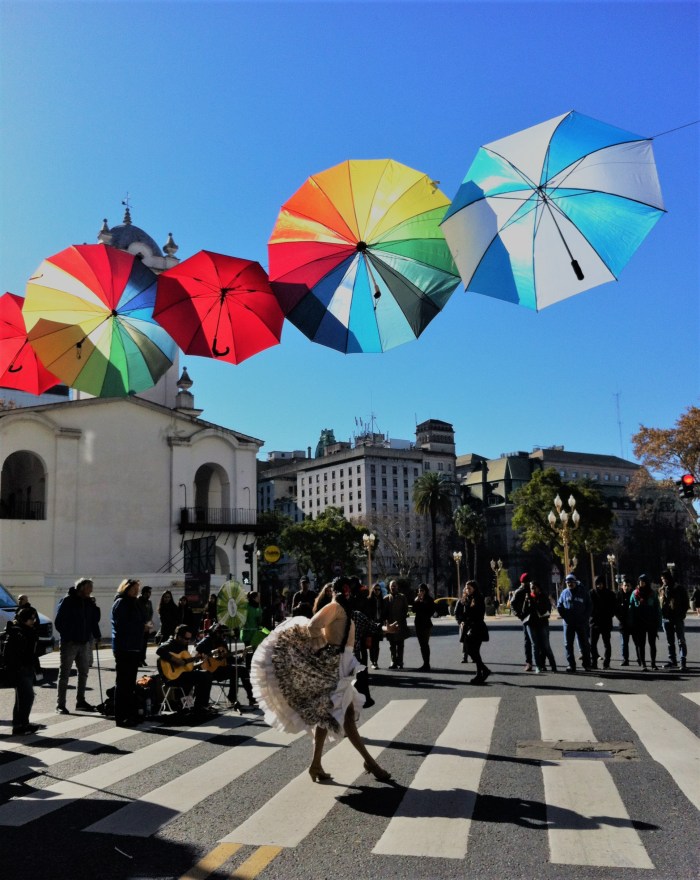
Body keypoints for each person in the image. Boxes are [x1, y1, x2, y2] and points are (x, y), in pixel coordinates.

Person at [251, 576, 394, 783]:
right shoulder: (335, 607)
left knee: (328, 714)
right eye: (350, 590)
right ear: (341, 591)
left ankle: (317, 765)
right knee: (342, 716)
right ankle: (369, 763)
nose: (352, 593)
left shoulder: (347, 610)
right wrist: (322, 651)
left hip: (344, 663)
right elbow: (313, 626)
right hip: (336, 663)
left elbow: (361, 627)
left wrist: (384, 629)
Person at [54, 577, 102, 714]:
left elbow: (94, 620)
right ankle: (60, 704)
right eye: (89, 587)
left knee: (84, 673)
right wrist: (68, 636)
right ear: (81, 588)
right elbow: (59, 622)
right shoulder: (68, 601)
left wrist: (97, 635)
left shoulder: (88, 602)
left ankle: (80, 701)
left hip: (84, 642)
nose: (91, 590)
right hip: (70, 642)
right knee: (65, 674)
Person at [111, 577, 149, 727]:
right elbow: (123, 625)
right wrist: (142, 627)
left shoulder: (135, 602)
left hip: (134, 646)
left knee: (129, 684)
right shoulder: (121, 602)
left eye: (137, 589)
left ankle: (129, 713)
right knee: (123, 683)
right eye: (134, 589)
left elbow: (140, 619)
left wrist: (144, 626)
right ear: (126, 588)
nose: (137, 591)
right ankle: (121, 717)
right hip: (124, 647)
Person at [4, 606, 46, 735]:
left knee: (24, 698)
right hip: (20, 669)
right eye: (32, 618)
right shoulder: (17, 633)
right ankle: (20, 725)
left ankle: (22, 724)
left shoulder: (28, 631)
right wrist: (19, 667)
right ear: (24, 619)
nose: (34, 621)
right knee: (26, 697)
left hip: (27, 668)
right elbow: (10, 654)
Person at [156, 624, 214, 715]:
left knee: (206, 674)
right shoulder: (170, 643)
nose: (188, 641)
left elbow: (186, 666)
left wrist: (199, 663)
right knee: (204, 675)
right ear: (178, 637)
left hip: (182, 674)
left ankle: (199, 705)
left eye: (189, 639)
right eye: (186, 639)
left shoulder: (182, 644)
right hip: (172, 677)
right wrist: (176, 660)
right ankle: (200, 706)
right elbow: (159, 650)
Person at [196, 622, 256, 708]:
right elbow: (198, 647)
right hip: (210, 670)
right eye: (221, 634)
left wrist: (241, 658)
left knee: (241, 669)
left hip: (221, 668)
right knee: (235, 671)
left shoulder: (223, 643)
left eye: (224, 635)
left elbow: (229, 660)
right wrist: (212, 653)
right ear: (216, 633)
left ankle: (250, 697)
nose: (223, 637)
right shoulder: (209, 639)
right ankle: (233, 698)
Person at [556, 574, 592, 673]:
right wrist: (564, 615)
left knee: (584, 644)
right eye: (567, 583)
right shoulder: (564, 593)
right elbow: (559, 605)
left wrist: (585, 617)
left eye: (571, 582)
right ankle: (571, 665)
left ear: (575, 582)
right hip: (568, 623)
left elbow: (589, 606)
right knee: (568, 644)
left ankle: (587, 664)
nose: (569, 584)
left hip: (581, 622)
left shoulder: (583, 593)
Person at [522, 580, 557, 673]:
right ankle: (538, 666)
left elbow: (544, 610)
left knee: (546, 645)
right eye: (530, 588)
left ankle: (553, 665)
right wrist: (526, 601)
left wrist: (533, 602)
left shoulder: (543, 597)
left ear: (538, 588)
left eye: (533, 587)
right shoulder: (528, 598)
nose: (532, 590)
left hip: (542, 624)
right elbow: (524, 611)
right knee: (535, 645)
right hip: (531, 624)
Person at [629, 574, 662, 671]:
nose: (641, 583)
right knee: (641, 644)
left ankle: (653, 664)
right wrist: (631, 623)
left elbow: (657, 609)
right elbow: (631, 609)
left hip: (651, 622)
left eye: (643, 581)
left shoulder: (652, 593)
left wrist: (658, 623)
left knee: (652, 644)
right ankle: (643, 664)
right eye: (640, 581)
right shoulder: (635, 593)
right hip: (639, 623)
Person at [460, 580, 491, 685]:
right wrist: (462, 621)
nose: (467, 590)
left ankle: (481, 673)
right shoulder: (467, 598)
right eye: (466, 588)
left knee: (474, 651)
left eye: (469, 588)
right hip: (469, 627)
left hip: (477, 627)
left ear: (474, 588)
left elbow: (479, 613)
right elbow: (463, 613)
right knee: (472, 651)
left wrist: (468, 618)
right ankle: (483, 671)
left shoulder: (478, 597)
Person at [659, 569, 688, 670]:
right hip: (666, 619)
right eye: (662, 579)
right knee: (669, 641)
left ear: (669, 578)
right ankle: (672, 661)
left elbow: (686, 603)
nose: (664, 581)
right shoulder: (661, 589)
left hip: (677, 618)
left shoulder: (679, 588)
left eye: (665, 578)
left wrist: (682, 615)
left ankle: (683, 661)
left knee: (681, 640)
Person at [590, 575, 616, 669]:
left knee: (607, 644)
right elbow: (589, 606)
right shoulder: (592, 593)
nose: (599, 586)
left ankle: (606, 663)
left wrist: (610, 614)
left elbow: (614, 606)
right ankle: (594, 663)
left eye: (601, 584)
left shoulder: (610, 594)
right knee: (592, 644)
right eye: (597, 584)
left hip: (606, 622)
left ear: (604, 584)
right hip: (594, 622)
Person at [510, 573, 535, 671]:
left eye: (528, 582)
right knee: (528, 641)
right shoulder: (518, 592)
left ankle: (540, 661)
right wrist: (520, 615)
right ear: (522, 582)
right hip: (526, 619)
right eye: (525, 582)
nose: (527, 584)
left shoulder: (533, 590)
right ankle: (528, 662)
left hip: (537, 619)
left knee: (539, 642)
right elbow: (512, 605)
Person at [384, 579, 409, 670]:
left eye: (394, 585)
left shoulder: (402, 597)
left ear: (397, 587)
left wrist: (401, 620)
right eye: (391, 586)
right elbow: (384, 612)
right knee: (392, 645)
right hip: (390, 625)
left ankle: (400, 662)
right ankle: (393, 661)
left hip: (400, 625)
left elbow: (406, 610)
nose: (393, 587)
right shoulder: (386, 598)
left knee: (400, 645)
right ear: (389, 587)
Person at [412, 583, 435, 671]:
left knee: (425, 644)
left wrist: (422, 603)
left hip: (426, 625)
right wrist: (416, 601)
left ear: (425, 591)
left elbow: (430, 612)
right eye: (419, 590)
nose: (420, 592)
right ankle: (425, 663)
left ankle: (427, 664)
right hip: (418, 624)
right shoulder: (417, 599)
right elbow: (413, 610)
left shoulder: (429, 600)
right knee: (422, 645)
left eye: (422, 590)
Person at [615, 575, 637, 666]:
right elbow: (615, 609)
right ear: (622, 586)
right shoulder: (619, 595)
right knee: (624, 643)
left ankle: (640, 658)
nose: (626, 587)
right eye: (625, 585)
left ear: (631, 586)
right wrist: (620, 618)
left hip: (634, 623)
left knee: (637, 642)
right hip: (623, 623)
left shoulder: (635, 594)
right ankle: (625, 659)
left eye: (628, 585)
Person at [364, 583, 385, 669]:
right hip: (370, 624)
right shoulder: (368, 600)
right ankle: (373, 661)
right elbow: (366, 613)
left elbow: (384, 612)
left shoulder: (382, 600)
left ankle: (375, 661)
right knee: (371, 644)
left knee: (377, 644)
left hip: (379, 624)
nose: (377, 591)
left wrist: (382, 621)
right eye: (375, 589)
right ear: (372, 590)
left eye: (378, 589)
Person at [454, 585, 472, 663]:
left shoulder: (472, 600)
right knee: (464, 641)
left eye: (468, 591)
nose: (466, 593)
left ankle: (473, 656)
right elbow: (456, 613)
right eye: (465, 591)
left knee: (471, 641)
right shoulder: (460, 602)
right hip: (463, 624)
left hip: (471, 623)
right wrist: (459, 622)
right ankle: (464, 657)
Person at [137, 585, 154, 666]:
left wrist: (149, 623)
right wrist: (142, 624)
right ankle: (138, 660)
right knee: (139, 644)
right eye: (148, 592)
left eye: (150, 593)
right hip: (140, 626)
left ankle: (143, 659)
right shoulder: (138, 601)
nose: (149, 594)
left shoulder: (149, 602)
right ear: (144, 592)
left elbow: (151, 612)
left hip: (147, 625)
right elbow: (137, 613)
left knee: (144, 644)